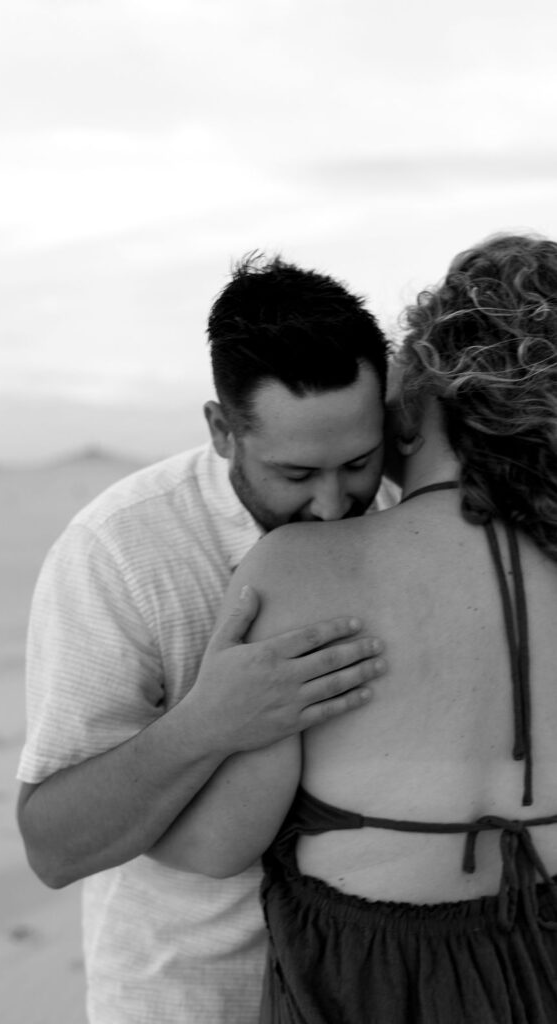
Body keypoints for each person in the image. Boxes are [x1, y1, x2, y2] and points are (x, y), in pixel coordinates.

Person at [154, 233, 557, 1023]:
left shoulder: (298, 569)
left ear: (421, 399)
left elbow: (216, 846)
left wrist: (181, 749)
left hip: (375, 975)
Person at [16, 254, 397, 1024]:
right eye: (295, 473)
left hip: (367, 988)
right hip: (189, 994)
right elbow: (53, 847)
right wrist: (208, 723)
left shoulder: (403, 516)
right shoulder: (119, 550)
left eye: (357, 462)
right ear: (223, 430)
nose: (333, 505)